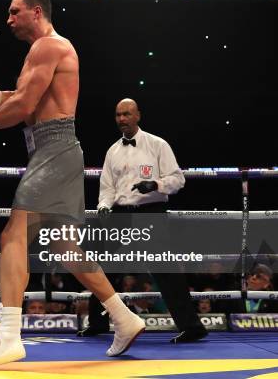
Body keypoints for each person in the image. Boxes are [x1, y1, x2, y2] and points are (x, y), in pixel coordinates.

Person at [0, 0, 144, 370]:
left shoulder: (48, 46)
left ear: (35, 11)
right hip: (54, 148)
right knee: (64, 247)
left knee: (12, 235)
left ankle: (8, 336)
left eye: (14, 12)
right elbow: (21, 100)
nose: (8, 19)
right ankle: (124, 317)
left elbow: (23, 107)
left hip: (54, 149)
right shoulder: (45, 51)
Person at [82, 97, 207, 344]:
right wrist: (104, 206)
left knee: (166, 272)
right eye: (118, 115)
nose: (122, 119)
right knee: (102, 269)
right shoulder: (113, 151)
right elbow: (107, 187)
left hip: (150, 213)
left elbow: (178, 179)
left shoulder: (157, 145)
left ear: (138, 115)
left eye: (127, 114)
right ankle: (97, 323)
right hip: (120, 216)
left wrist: (156, 184)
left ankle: (192, 327)